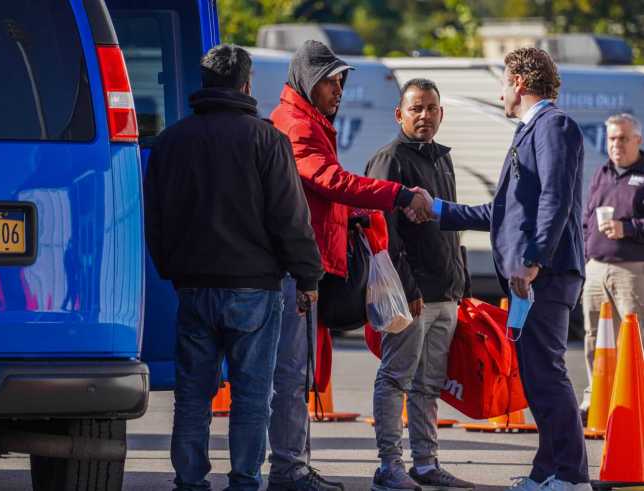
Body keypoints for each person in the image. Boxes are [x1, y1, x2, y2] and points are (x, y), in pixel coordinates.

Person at [144, 44, 323, 491]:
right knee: (251, 397)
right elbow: (290, 217)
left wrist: (172, 268)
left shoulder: (171, 141)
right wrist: (307, 276)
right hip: (255, 290)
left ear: (204, 84)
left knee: (192, 397)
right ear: (245, 85)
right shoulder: (267, 140)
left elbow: (155, 215)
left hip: (194, 287)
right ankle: (244, 481)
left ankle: (190, 482)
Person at [410, 48, 591, 491]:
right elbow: (501, 210)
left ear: (518, 82)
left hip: (545, 275)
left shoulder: (554, 126)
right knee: (535, 376)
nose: (501, 93)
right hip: (531, 278)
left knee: (546, 373)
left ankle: (570, 476)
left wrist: (533, 259)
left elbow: (555, 199)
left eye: (503, 82)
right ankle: (547, 471)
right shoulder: (530, 131)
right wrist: (436, 208)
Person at [268, 40, 424, 491]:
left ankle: (295, 466)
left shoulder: (309, 120)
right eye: (332, 82)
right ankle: (289, 470)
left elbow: (319, 195)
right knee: (292, 375)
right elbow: (329, 181)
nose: (340, 91)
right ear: (308, 82)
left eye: (342, 82)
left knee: (300, 374)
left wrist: (353, 215)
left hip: (308, 264)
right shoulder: (297, 125)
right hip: (297, 267)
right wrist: (395, 195)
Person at [365, 78, 473, 491]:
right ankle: (388, 466)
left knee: (429, 385)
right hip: (411, 297)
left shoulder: (442, 160)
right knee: (395, 379)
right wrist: (408, 289)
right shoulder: (390, 159)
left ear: (441, 114)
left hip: (445, 295)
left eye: (431, 108)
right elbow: (382, 234)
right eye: (416, 109)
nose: (424, 115)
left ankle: (426, 464)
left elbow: (450, 227)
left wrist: (459, 283)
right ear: (400, 114)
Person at [580, 113, 644, 421]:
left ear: (637, 140)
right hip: (595, 268)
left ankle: (637, 400)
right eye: (611, 139)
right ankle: (597, 398)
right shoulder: (601, 173)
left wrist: (627, 229)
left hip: (632, 270)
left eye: (622, 138)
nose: (616, 144)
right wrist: (583, 255)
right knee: (595, 336)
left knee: (635, 337)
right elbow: (586, 218)